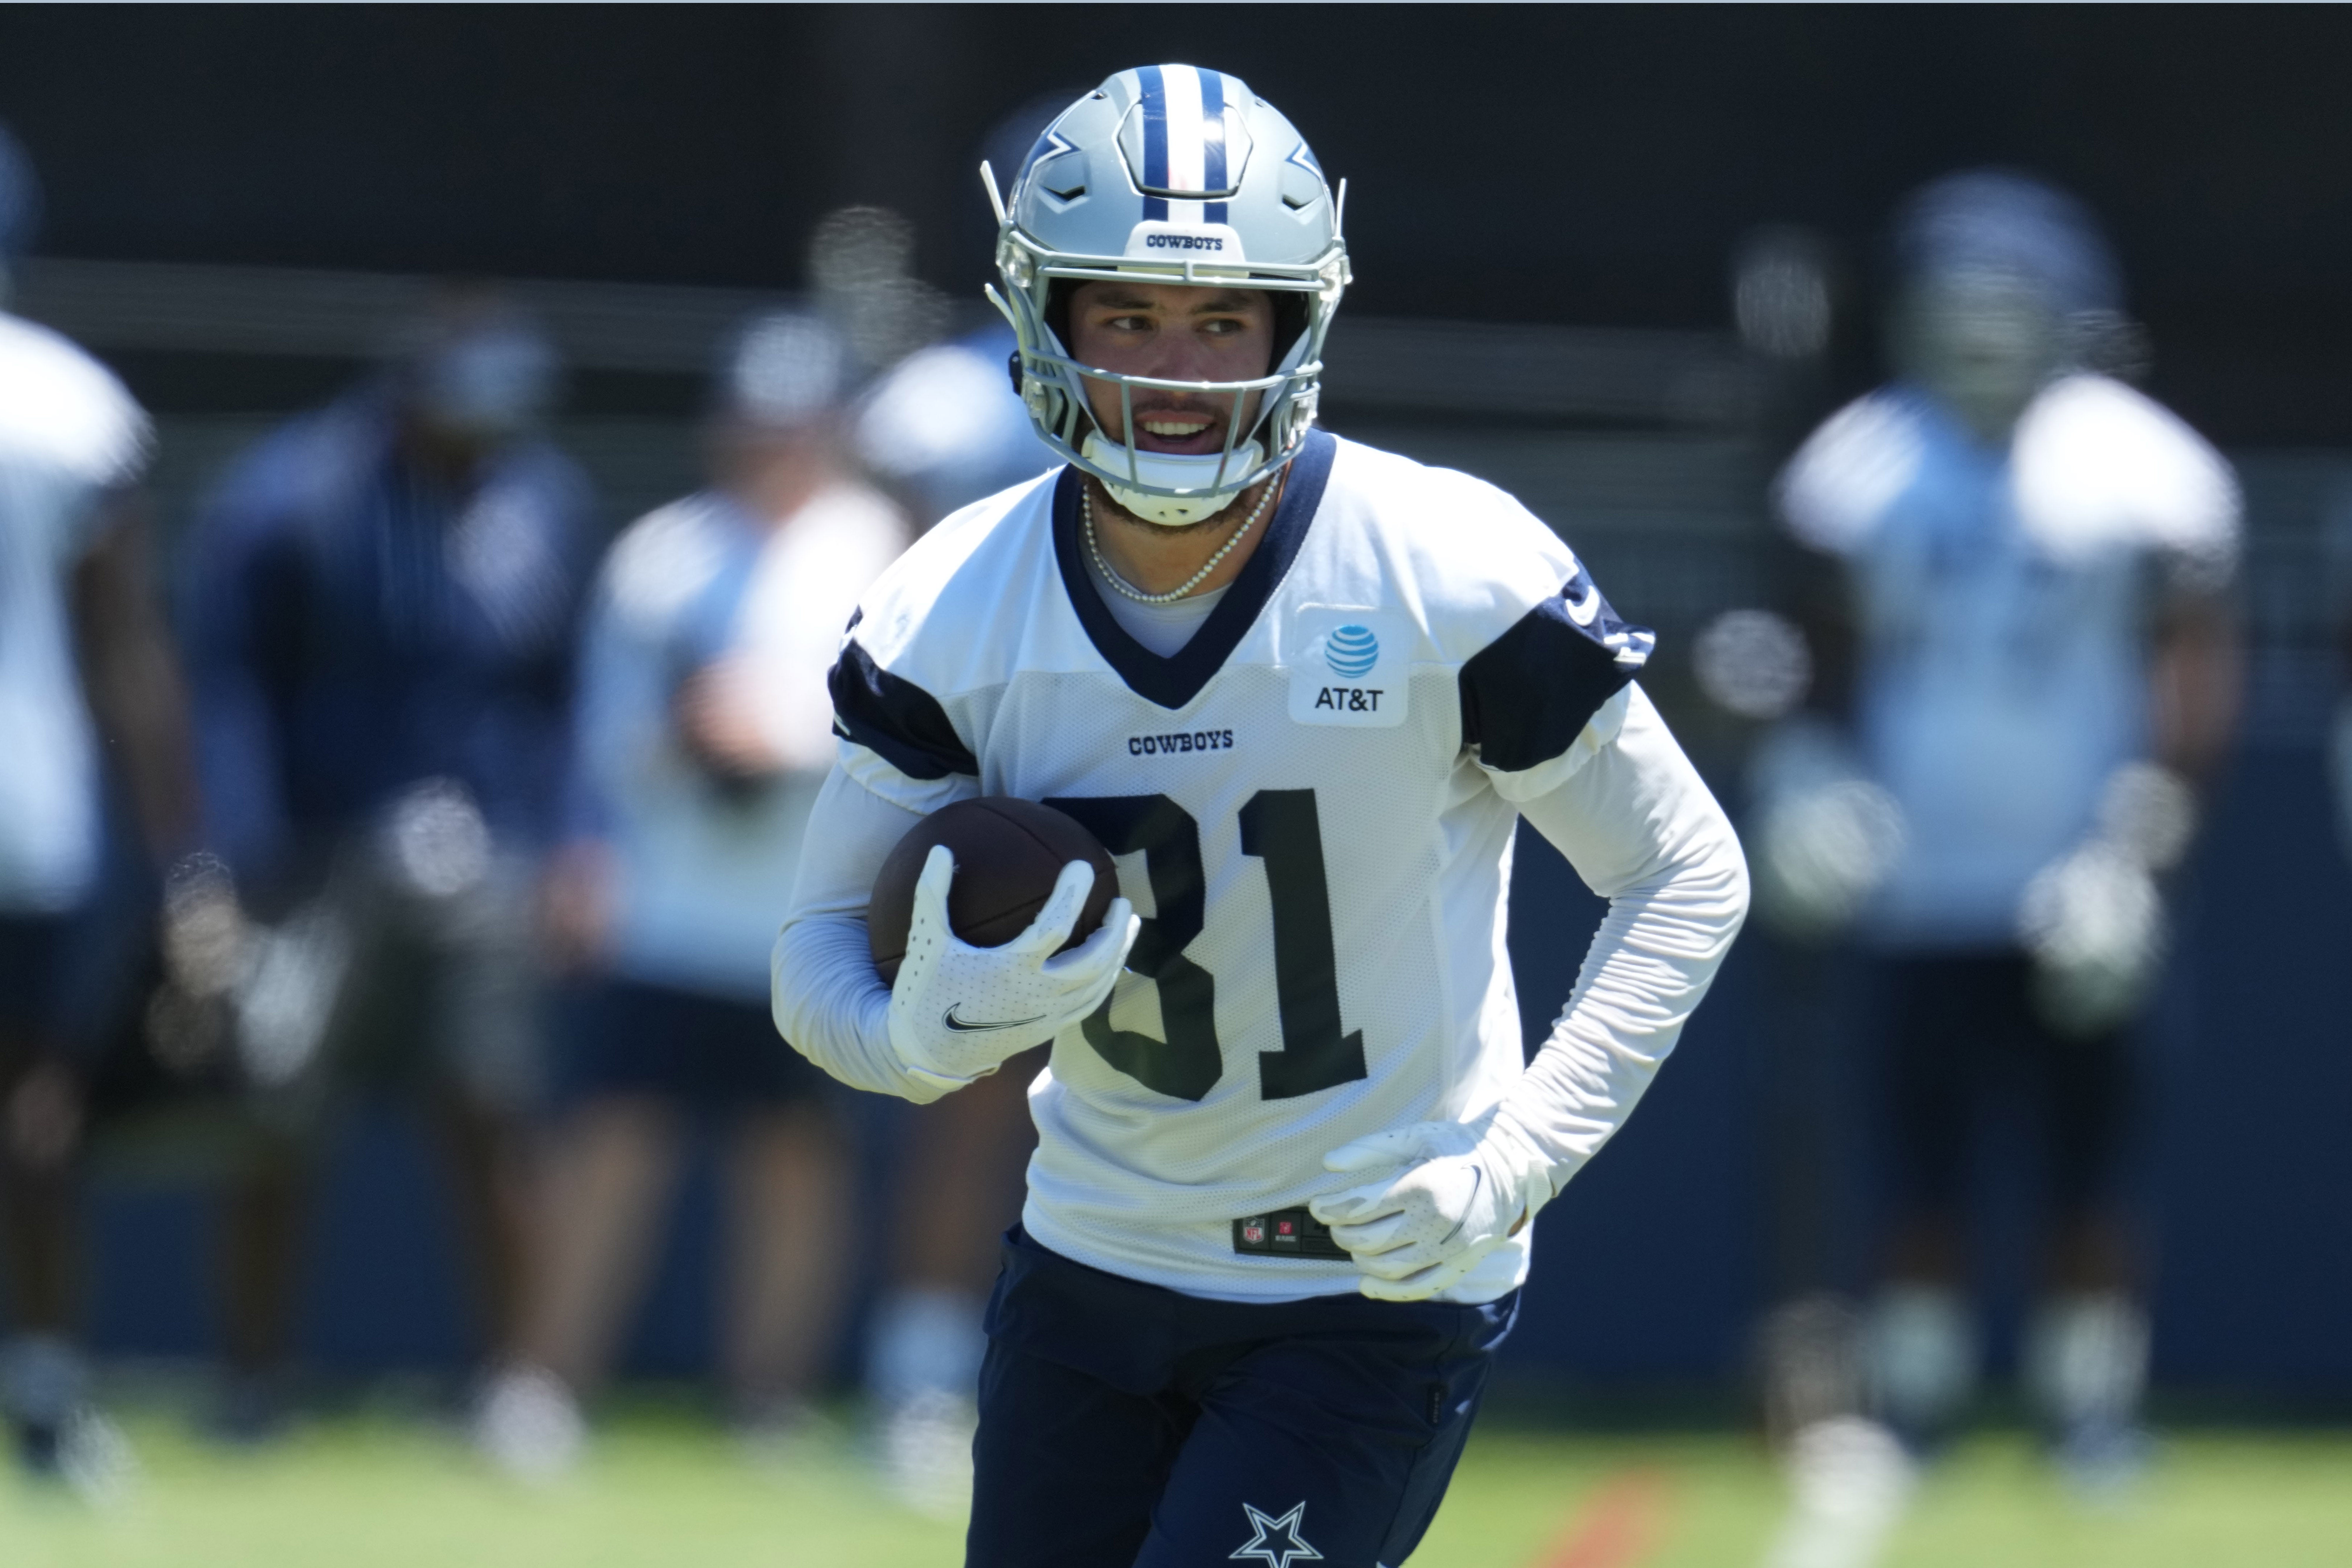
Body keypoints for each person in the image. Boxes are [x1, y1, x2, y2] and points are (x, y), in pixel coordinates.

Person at [772, 67, 1748, 1567]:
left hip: (1367, 1276)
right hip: (1092, 1260)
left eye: (1224, 318)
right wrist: (913, 1038)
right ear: (1045, 318)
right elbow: (815, 950)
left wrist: (1516, 1157)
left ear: (1301, 324)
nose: (1180, 368)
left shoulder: (1441, 564)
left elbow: (1686, 873)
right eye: (1131, 316)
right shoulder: (953, 601)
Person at [1752, 169, 2240, 1560]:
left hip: (2084, 876)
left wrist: (2144, 841)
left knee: (2095, 1163)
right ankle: (1913, 1408)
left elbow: (2193, 655)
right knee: (1921, 1164)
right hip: (1918, 876)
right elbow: (1817, 644)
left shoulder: (2147, 467)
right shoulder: (1858, 462)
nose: (1976, 338)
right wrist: (1811, 770)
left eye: (2001, 309)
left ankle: (2091, 1414)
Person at [487, 312, 909, 1476]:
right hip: (667, 906)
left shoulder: (885, 554)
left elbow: (913, 737)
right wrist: (665, 761)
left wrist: (781, 741)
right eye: (752, 422)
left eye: (793, 424)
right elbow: (603, 730)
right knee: (615, 1139)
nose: (768, 444)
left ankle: (767, 1398)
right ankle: (545, 1386)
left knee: (796, 1156)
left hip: (812, 905)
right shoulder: (665, 553)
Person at [177, 289, 595, 1442]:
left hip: (489, 850)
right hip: (316, 860)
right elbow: (228, 691)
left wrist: (577, 839)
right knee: (274, 1118)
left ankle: (519, 1386)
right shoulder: (292, 495)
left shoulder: (540, 502)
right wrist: (234, 859)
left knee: (496, 1112)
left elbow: (563, 695)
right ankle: (253, 1379)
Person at [0, 123, 200, 1492]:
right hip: (29, 806)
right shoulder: (66, 402)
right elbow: (125, 651)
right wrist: (187, 858)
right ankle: (50, 1386)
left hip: (35, 805)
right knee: (36, 1107)